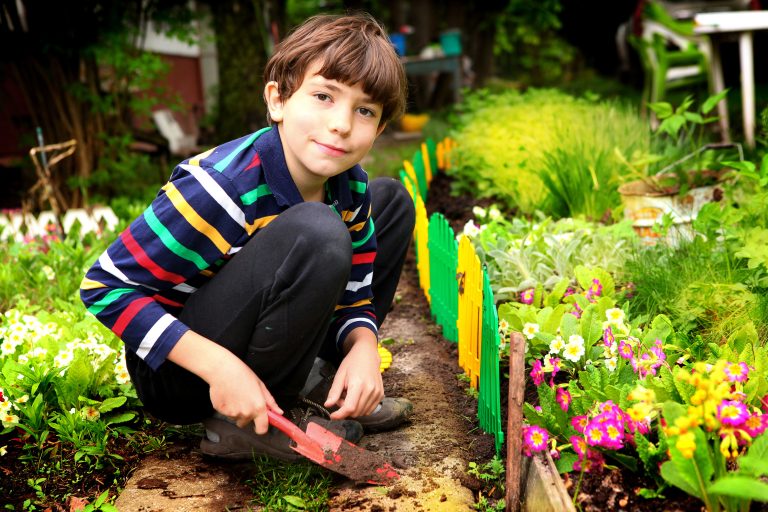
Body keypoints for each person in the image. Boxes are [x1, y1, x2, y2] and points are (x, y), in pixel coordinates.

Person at [80, 12, 415, 462]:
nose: (341, 124)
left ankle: (331, 385)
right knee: (318, 229)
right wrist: (220, 367)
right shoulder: (218, 189)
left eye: (365, 110)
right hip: (184, 373)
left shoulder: (347, 186)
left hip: (257, 332)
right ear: (277, 100)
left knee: (390, 199)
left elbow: (357, 287)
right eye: (323, 96)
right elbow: (105, 287)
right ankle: (244, 422)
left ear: (378, 128)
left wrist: (364, 347)